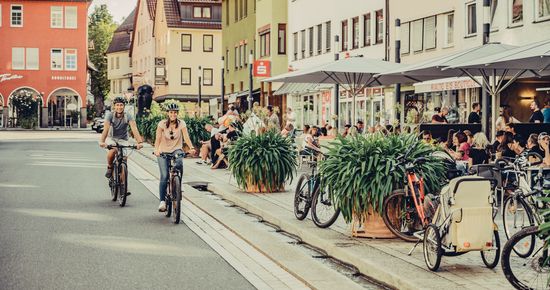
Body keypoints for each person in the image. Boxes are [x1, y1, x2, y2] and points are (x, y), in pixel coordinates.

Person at [153, 103, 196, 212]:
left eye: (175, 112)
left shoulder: (182, 124)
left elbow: (186, 137)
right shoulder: (162, 124)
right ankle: (162, 201)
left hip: (176, 150)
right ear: (168, 113)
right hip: (163, 151)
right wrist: (156, 149)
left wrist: (191, 147)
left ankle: (178, 185)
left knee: (179, 162)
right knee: (164, 175)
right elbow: (157, 138)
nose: (173, 114)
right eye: (171, 112)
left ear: (177, 113)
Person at [99, 96, 144, 178]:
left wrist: (139, 142)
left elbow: (134, 129)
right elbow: (105, 129)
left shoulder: (128, 116)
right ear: (114, 106)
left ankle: (124, 187)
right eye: (117, 105)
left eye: (121, 105)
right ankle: (110, 166)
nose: (119, 107)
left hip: (123, 139)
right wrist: (102, 141)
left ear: (124, 106)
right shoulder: (110, 115)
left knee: (124, 159)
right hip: (111, 138)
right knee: (113, 150)